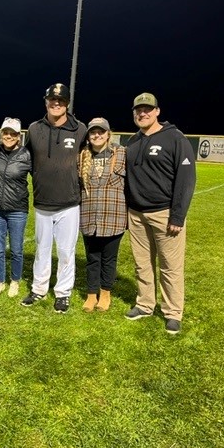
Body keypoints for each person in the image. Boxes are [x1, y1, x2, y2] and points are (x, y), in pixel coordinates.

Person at [125, 92, 196, 334]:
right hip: (136, 214)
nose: (142, 113)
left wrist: (178, 216)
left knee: (170, 266)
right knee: (142, 264)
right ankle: (145, 304)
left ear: (157, 111)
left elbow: (186, 180)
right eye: (138, 110)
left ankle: (173, 312)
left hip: (164, 214)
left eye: (147, 109)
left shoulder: (175, 138)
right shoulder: (132, 142)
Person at [22, 83, 87, 313]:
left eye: (61, 100)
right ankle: (38, 289)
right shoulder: (33, 129)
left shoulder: (80, 129)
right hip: (42, 202)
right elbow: (26, 160)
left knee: (66, 251)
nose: (56, 103)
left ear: (67, 103)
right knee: (41, 248)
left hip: (69, 202)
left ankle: (63, 293)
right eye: (52, 99)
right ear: (46, 101)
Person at [79, 117, 127, 312]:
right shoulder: (82, 156)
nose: (96, 135)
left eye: (101, 131)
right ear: (89, 135)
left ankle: (105, 293)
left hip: (113, 217)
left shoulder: (122, 153)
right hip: (89, 216)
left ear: (108, 134)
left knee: (108, 258)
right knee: (92, 258)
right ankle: (91, 295)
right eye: (93, 132)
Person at [0, 117, 32, 299]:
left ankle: (15, 280)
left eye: (12, 133)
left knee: (16, 249)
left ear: (18, 136)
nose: (8, 136)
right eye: (5, 133)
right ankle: (0, 282)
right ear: (1, 134)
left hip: (17, 210)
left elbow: (39, 177)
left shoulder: (27, 155)